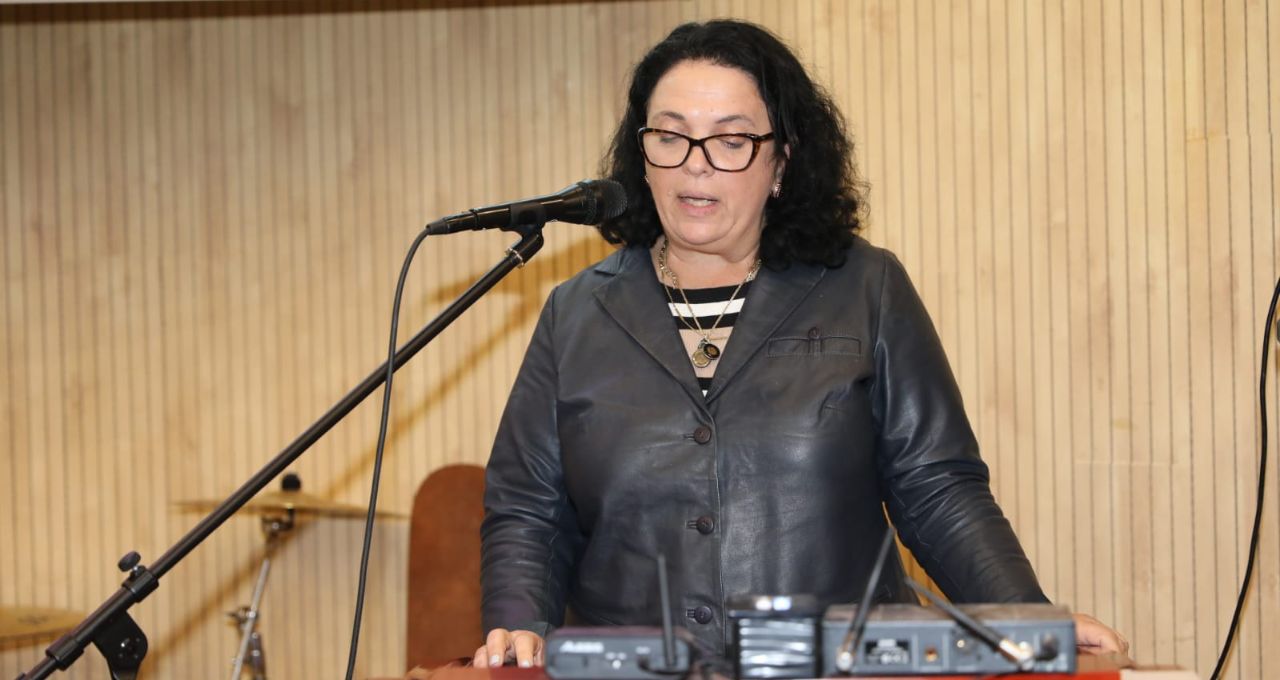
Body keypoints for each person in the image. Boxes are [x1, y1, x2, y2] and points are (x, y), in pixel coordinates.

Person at [473, 19, 1128, 669]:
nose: (695, 166)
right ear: (642, 155)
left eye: (731, 141)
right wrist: (515, 623)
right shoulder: (577, 311)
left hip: (835, 662)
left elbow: (936, 485)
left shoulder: (865, 286)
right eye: (670, 136)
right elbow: (529, 505)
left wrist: (1026, 614)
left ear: (780, 163)